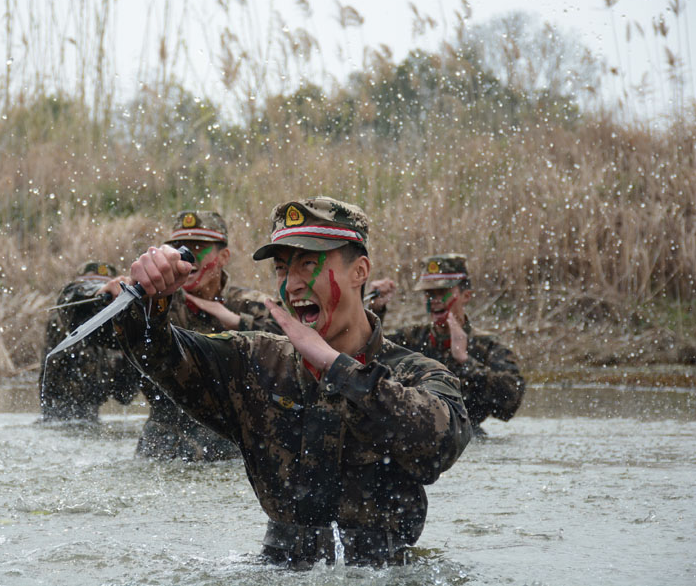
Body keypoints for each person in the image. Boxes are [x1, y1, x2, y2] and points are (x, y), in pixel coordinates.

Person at [112, 197, 470, 567]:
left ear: (360, 271)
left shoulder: (415, 373)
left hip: (385, 571)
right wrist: (151, 301)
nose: (292, 285)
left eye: (309, 264)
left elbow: (439, 443)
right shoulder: (256, 362)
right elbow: (161, 355)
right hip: (278, 568)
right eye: (282, 269)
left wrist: (337, 368)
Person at [99, 210, 281, 461]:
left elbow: (290, 348)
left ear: (224, 256)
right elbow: (107, 342)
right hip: (161, 444)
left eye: (199, 248)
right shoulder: (155, 301)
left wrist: (235, 320)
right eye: (180, 248)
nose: (188, 258)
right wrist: (115, 304)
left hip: (229, 445)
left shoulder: (252, 305)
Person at [382, 254, 526, 436]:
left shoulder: (486, 345)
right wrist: (376, 308)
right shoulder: (412, 339)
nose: (435, 300)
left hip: (469, 436)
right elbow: (367, 353)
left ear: (466, 296)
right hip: (415, 434)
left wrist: (465, 360)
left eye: (443, 293)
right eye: (430, 294)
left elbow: (511, 400)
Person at [39, 261, 139, 420]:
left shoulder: (114, 328)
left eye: (104, 284)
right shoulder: (63, 317)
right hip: (57, 415)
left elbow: (125, 395)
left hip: (92, 416)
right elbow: (71, 296)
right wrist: (98, 293)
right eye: (90, 284)